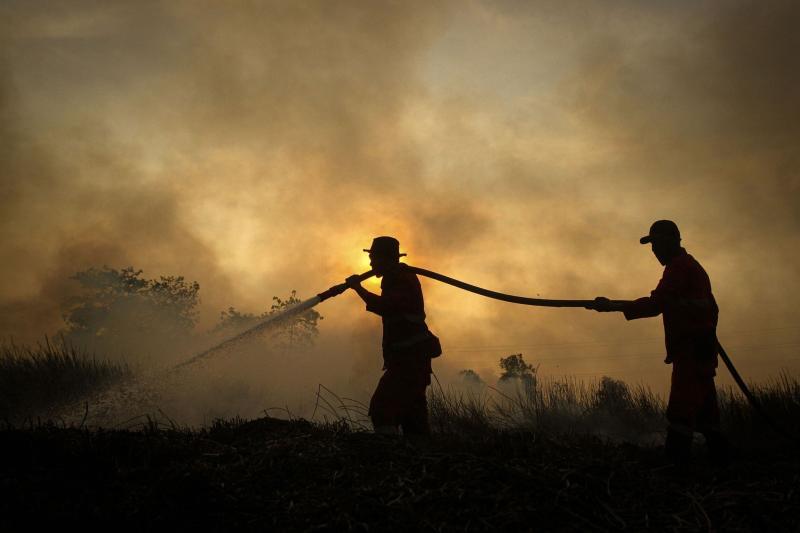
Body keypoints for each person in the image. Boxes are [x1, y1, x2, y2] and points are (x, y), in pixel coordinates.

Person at [590, 220, 728, 464]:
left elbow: (657, 304)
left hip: (692, 348)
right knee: (707, 413)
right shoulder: (691, 267)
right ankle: (722, 461)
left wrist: (612, 307)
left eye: (656, 243)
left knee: (681, 411)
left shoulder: (679, 268)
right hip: (701, 347)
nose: (653, 250)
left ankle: (676, 467)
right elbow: (704, 307)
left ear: (670, 241)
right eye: (652, 245)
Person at [346, 236, 441, 436]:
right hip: (409, 360)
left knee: (382, 408)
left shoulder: (401, 278)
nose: (370, 263)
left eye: (374, 258)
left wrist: (358, 289)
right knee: (412, 417)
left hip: (409, 361)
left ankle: (387, 456)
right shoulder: (395, 277)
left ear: (386, 259)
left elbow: (387, 306)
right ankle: (417, 458)